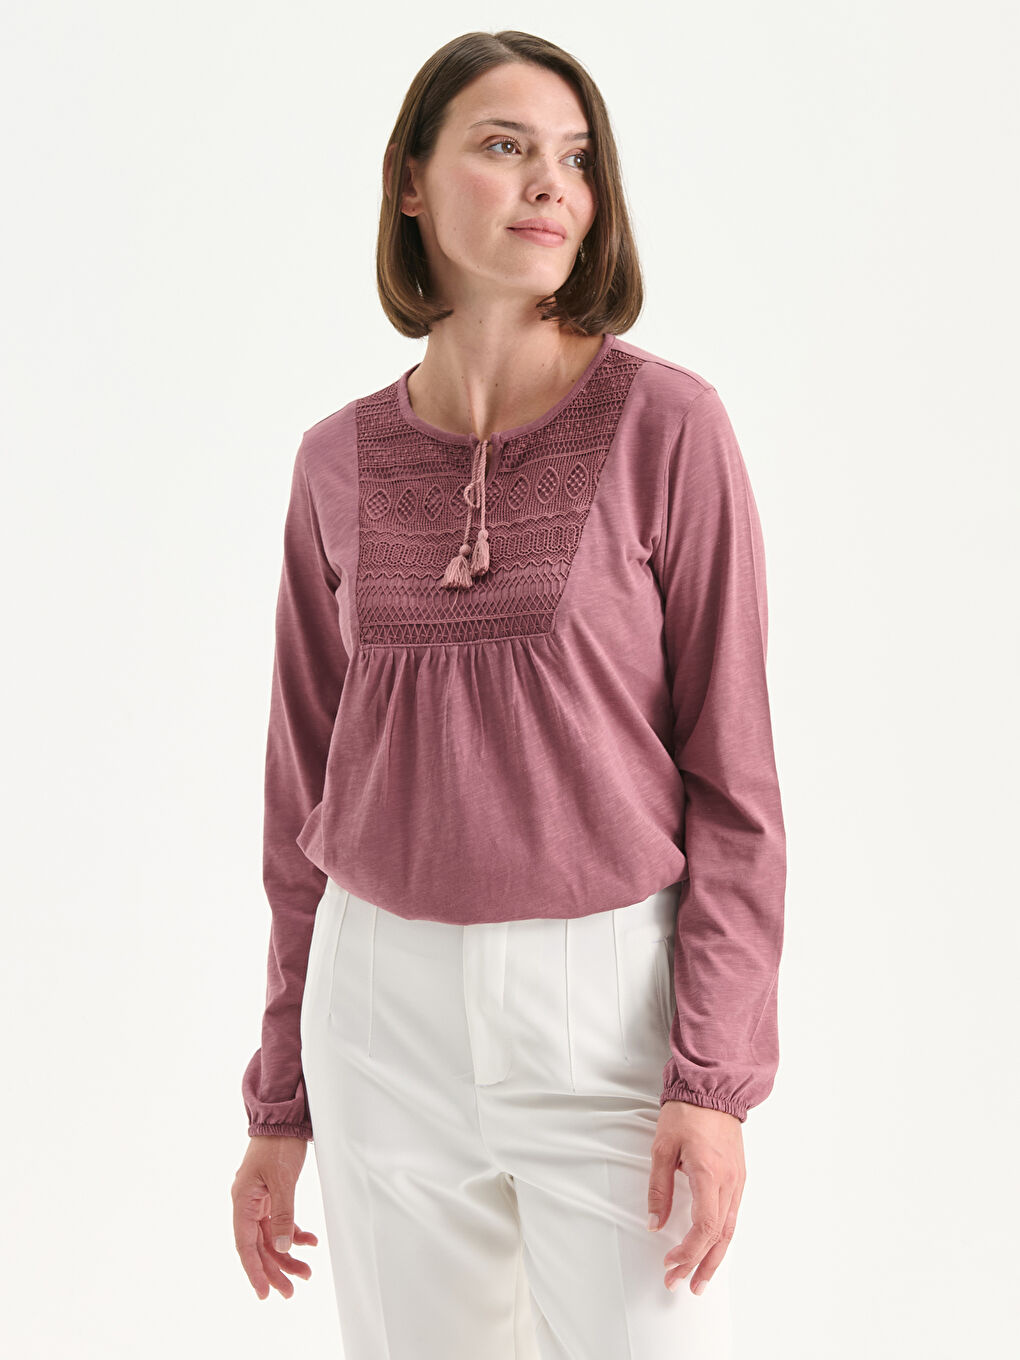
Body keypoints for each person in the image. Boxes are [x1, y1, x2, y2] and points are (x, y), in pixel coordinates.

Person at [230, 28, 786, 1360]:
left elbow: (737, 786)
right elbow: (301, 804)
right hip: (378, 1011)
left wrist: (712, 1080)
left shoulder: (669, 427)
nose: (550, 185)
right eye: (503, 145)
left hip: (608, 1009)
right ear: (410, 182)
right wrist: (280, 1098)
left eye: (576, 159)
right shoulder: (332, 464)